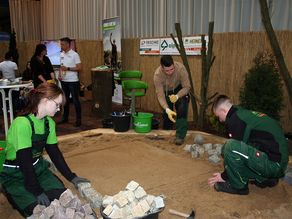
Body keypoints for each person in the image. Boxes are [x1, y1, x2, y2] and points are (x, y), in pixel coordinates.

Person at [0, 83, 90, 217]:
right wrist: (36, 190)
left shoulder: (49, 123)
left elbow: (55, 154)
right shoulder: (22, 123)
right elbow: (24, 161)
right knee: (35, 208)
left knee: (59, 196)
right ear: (45, 100)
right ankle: (8, 190)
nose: (59, 109)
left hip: (37, 168)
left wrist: (72, 177)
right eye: (57, 104)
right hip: (15, 173)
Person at [208, 95, 288, 195]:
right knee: (227, 149)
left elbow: (235, 148)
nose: (220, 120)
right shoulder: (241, 113)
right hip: (277, 161)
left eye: (218, 116)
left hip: (274, 165)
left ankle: (238, 187)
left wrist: (224, 176)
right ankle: (265, 178)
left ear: (223, 110)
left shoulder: (236, 120)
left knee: (230, 147)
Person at [153, 55, 191, 145]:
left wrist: (177, 96)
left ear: (173, 64)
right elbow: (160, 95)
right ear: (162, 68)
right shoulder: (157, 75)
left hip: (179, 89)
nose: (170, 72)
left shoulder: (181, 68)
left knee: (182, 107)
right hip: (166, 92)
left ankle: (180, 136)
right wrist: (167, 109)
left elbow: (187, 87)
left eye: (172, 69)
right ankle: (167, 133)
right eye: (167, 70)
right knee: (167, 114)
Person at [59, 37, 82, 127]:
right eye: (61, 44)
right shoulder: (61, 54)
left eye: (62, 44)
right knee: (65, 100)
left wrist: (68, 68)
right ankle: (65, 118)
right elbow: (61, 66)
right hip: (64, 81)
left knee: (76, 101)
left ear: (68, 44)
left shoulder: (75, 54)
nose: (61, 46)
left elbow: (80, 68)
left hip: (73, 81)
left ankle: (78, 120)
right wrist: (60, 75)